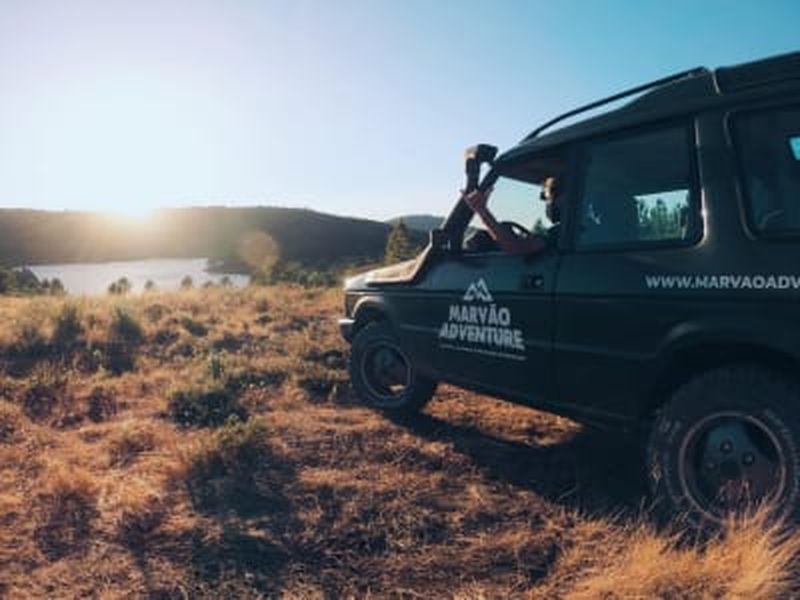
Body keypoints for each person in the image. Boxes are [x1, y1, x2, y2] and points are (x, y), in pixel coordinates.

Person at [463, 176, 562, 256]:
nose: (548, 204)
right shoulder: (570, 233)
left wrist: (482, 211)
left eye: (548, 198)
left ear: (562, 196)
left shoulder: (559, 234)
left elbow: (516, 247)